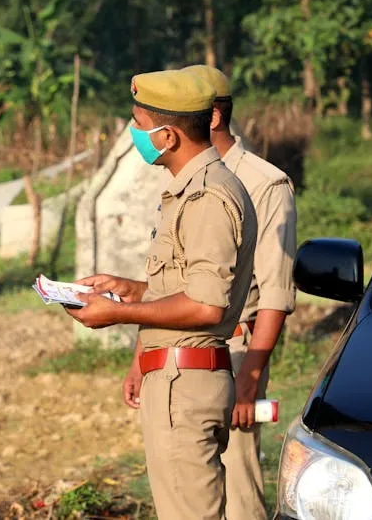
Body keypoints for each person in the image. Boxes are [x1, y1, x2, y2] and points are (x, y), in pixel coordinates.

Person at [67, 70, 257, 519]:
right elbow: (185, 287)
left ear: (168, 135)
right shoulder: (190, 189)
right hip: (175, 378)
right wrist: (127, 289)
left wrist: (118, 314)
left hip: (185, 384)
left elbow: (207, 305)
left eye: (138, 123)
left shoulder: (208, 196)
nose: (134, 134)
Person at [182, 65, 297, 520]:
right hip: (179, 353)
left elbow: (274, 291)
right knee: (189, 484)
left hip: (232, 352)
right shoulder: (182, 180)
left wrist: (249, 379)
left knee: (239, 483)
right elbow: (168, 281)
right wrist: (139, 357)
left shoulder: (264, 184)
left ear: (211, 117)